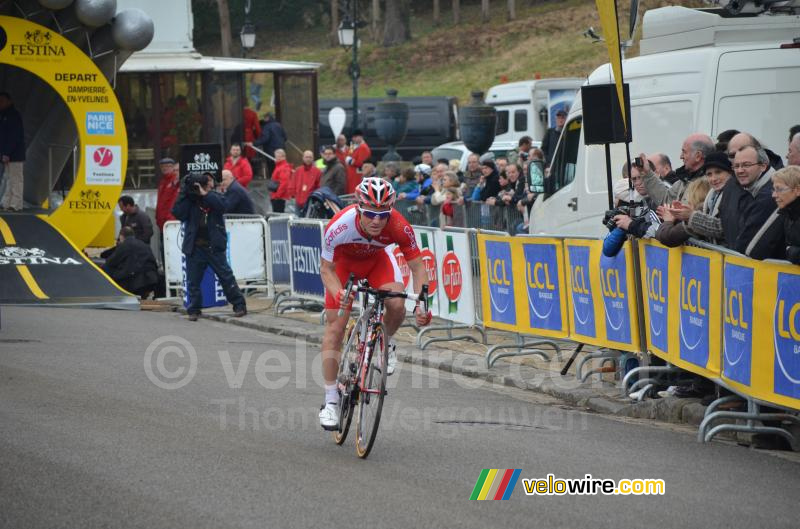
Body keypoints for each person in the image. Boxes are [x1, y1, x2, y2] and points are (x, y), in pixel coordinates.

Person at [317, 177, 431, 430]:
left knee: (398, 304)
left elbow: (417, 266)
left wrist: (422, 304)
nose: (377, 220)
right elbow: (326, 269)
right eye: (370, 214)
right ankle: (331, 402)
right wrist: (339, 294)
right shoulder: (339, 225)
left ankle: (385, 342)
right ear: (358, 208)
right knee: (335, 328)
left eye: (383, 214)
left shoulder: (400, 226)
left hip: (377, 262)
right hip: (343, 267)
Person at [171, 172, 247, 321]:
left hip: (213, 246)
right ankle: (194, 310)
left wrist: (205, 194)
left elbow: (223, 206)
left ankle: (239, 305)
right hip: (195, 247)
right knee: (193, 281)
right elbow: (177, 213)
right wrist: (183, 192)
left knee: (226, 277)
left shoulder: (214, 197)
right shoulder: (189, 200)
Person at [102, 226, 159, 298]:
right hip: (151, 279)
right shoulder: (144, 245)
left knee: (107, 269)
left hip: (135, 282)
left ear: (121, 236)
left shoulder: (125, 245)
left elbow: (110, 262)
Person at [0, 91, 25, 211]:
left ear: (9, 101)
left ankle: (16, 204)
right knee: (8, 179)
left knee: (16, 179)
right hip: (8, 153)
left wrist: (6, 153)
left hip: (14, 154)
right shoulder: (4, 115)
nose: (0, 103)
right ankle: (6, 203)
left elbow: (14, 136)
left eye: (2, 101)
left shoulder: (13, 115)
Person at [251, 112, 287, 177]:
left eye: (264, 118)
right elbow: (285, 137)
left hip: (271, 150)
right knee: (282, 165)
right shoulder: (279, 125)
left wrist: (254, 143)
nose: (264, 119)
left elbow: (265, 139)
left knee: (272, 166)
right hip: (281, 149)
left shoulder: (266, 127)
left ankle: (273, 180)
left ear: (267, 118)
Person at [155, 158, 180, 232]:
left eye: (167, 166)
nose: (164, 168)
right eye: (162, 166)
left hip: (171, 221)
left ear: (172, 167)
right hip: (163, 221)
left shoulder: (176, 180)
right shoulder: (162, 182)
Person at [344, 129, 372, 194]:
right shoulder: (353, 146)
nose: (353, 139)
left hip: (357, 176)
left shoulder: (363, 147)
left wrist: (350, 161)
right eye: (353, 137)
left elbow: (360, 162)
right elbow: (348, 155)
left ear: (360, 137)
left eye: (355, 137)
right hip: (351, 175)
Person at [269, 149, 293, 213]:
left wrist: (277, 196)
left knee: (278, 215)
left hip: (279, 197)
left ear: (283, 157)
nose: (276, 158)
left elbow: (284, 183)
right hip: (277, 196)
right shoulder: (279, 166)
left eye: (277, 156)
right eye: (276, 156)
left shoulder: (283, 167)